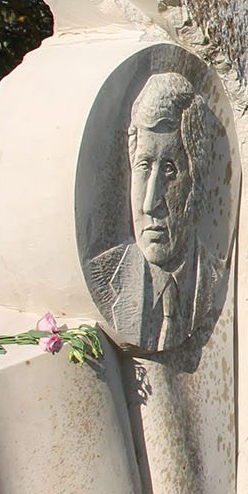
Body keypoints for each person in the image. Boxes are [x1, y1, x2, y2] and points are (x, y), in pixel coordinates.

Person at [88, 72, 222, 354]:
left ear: (196, 182)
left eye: (170, 170)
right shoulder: (100, 278)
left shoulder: (215, 279)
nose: (150, 203)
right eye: (143, 167)